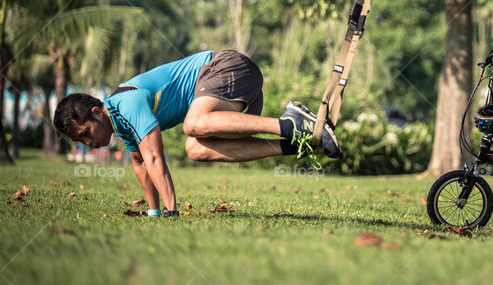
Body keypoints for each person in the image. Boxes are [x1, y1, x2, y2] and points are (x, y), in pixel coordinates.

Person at [53, 49, 340, 217]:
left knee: (193, 124)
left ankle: (291, 124)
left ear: (96, 112)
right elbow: (141, 163)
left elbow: (155, 159)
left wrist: (171, 212)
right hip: (234, 92)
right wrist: (154, 213)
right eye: (81, 142)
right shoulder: (118, 121)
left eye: (86, 134)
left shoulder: (127, 103)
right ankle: (295, 144)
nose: (89, 144)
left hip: (229, 68)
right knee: (195, 149)